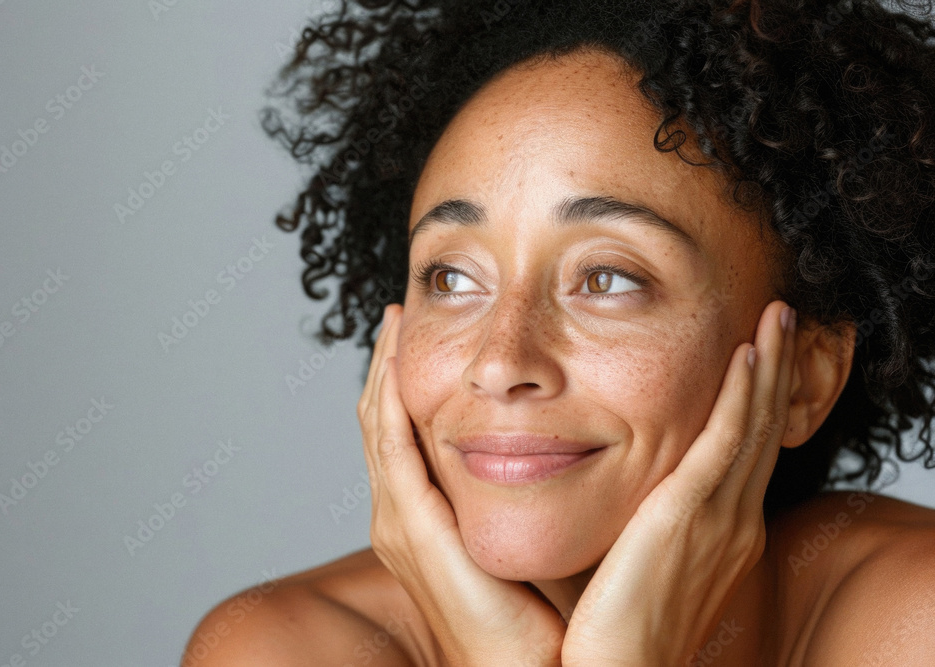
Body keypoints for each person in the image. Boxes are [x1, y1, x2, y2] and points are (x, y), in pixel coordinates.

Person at [183, 0, 935, 664]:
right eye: (451, 279)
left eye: (606, 279)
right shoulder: (282, 648)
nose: (502, 361)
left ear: (804, 372)